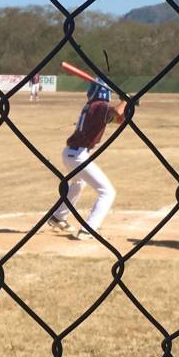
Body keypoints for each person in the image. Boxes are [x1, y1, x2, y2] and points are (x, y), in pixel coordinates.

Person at [48, 78, 126, 240]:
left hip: (71, 153)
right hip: (79, 156)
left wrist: (128, 105)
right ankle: (88, 228)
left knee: (78, 183)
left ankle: (58, 217)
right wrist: (125, 100)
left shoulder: (93, 107)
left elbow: (118, 119)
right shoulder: (100, 106)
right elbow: (117, 113)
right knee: (107, 192)